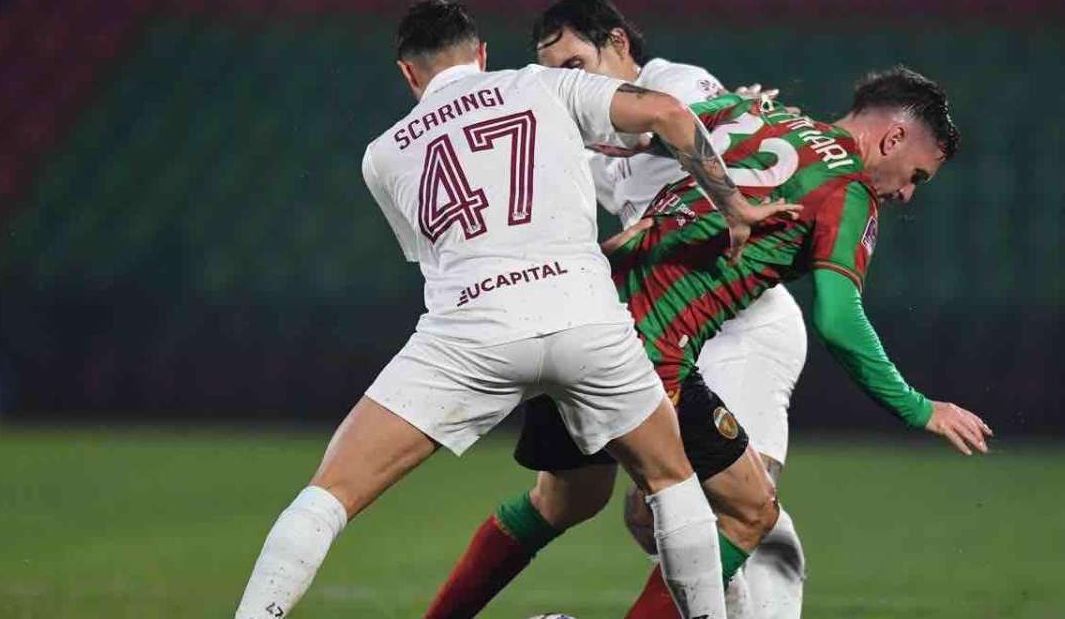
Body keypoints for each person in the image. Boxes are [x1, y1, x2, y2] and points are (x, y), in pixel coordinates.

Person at [231, 0, 798, 619]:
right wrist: (737, 208)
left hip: (474, 330)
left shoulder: (382, 154)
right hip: (587, 318)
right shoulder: (543, 87)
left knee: (328, 496)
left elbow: (437, 254)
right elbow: (665, 114)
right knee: (673, 485)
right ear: (481, 55)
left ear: (408, 74)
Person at [425, 66, 993, 619]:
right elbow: (840, 322)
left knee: (566, 498)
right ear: (893, 138)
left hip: (579, 307)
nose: (907, 195)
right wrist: (920, 409)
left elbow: (642, 140)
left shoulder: (751, 112)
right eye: (917, 175)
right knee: (749, 512)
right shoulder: (848, 190)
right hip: (644, 351)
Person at [536, 0, 811, 618]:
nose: (566, 85)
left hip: (747, 327)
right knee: (648, 515)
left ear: (618, 45)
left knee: (741, 501)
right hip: (671, 336)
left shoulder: (672, 81)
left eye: (575, 66)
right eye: (554, 75)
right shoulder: (578, 142)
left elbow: (683, 123)